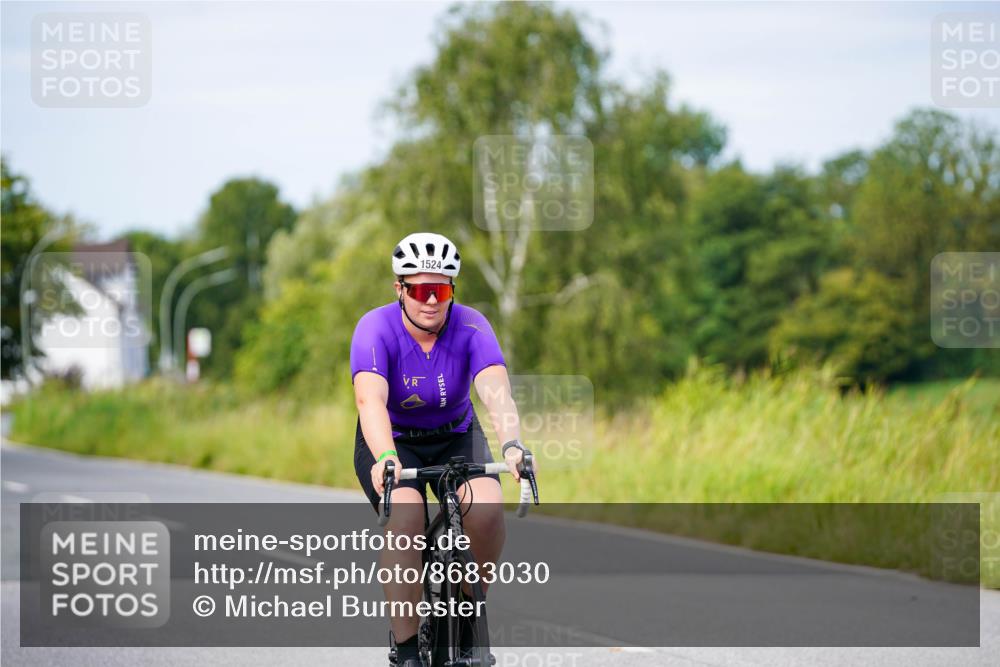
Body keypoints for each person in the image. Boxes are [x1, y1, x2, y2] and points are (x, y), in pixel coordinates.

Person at [350, 232, 527, 667]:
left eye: (442, 290)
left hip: (455, 436)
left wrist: (512, 444)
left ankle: (468, 617)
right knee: (407, 516)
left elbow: (496, 392)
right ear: (400, 290)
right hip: (393, 441)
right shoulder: (375, 328)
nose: (431, 301)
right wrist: (387, 459)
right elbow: (369, 401)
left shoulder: (471, 326)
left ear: (453, 290)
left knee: (485, 510)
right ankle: (407, 648)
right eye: (420, 290)